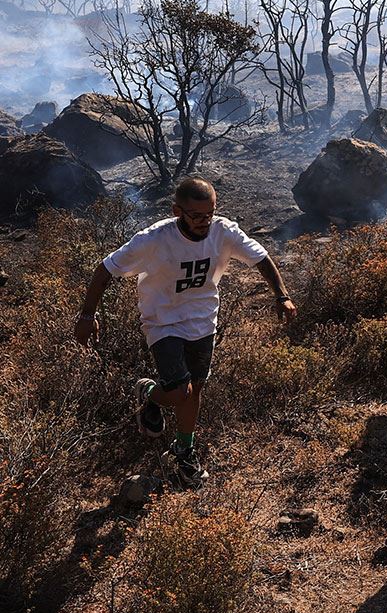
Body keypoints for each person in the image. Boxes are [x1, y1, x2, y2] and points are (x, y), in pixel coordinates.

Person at [72, 178, 296, 489]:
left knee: (196, 388)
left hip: (204, 320)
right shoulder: (154, 239)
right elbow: (105, 269)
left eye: (210, 214)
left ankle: (184, 451)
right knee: (180, 392)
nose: (205, 223)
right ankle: (148, 391)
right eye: (197, 216)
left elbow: (261, 259)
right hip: (162, 320)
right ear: (178, 211)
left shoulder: (223, 230)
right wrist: (87, 315)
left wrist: (281, 295)